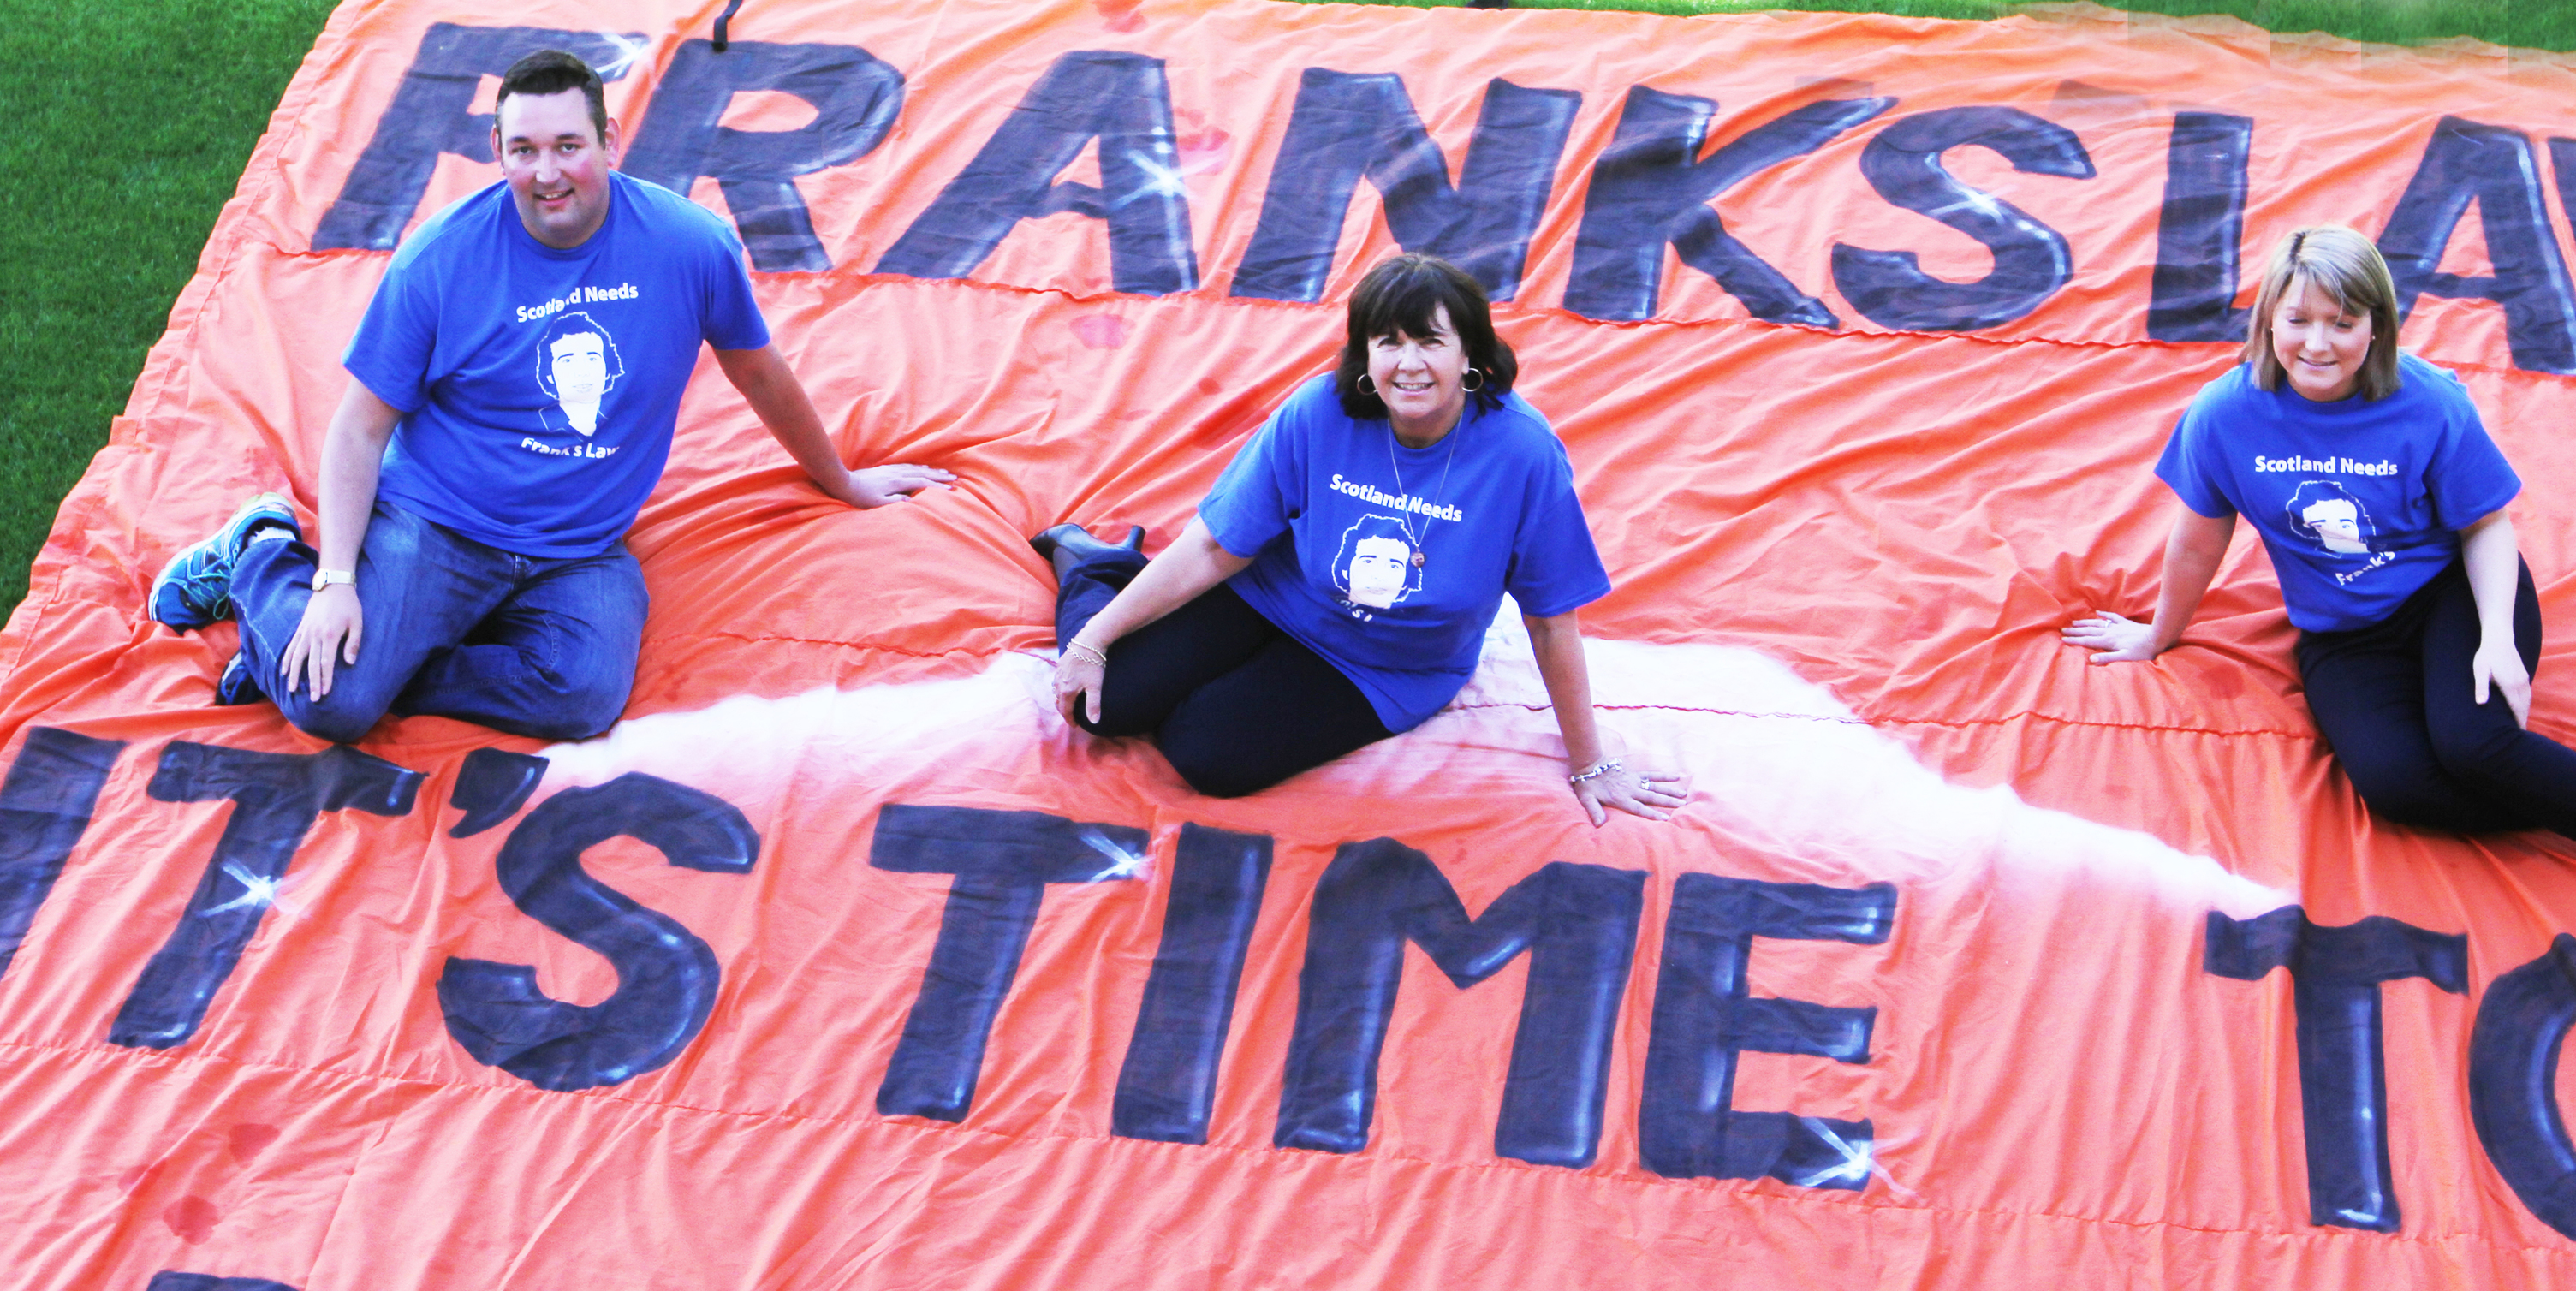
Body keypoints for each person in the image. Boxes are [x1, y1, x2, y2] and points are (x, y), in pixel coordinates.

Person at [147, 48, 948, 743]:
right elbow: (358, 429)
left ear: (610, 141)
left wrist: (840, 480)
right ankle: (259, 551)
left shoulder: (689, 247)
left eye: (569, 145)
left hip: (581, 547)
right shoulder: (440, 260)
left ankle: (378, 667)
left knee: (582, 696)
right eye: (524, 149)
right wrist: (336, 585)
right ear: (496, 150)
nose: (548, 172)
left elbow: (760, 371)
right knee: (328, 707)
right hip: (438, 525)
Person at [2062, 225, 2576, 957]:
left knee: (2476, 748)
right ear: (2269, 320)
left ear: (2375, 325)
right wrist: (2158, 634)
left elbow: (2487, 527)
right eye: (2299, 320)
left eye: (2342, 323)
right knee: (2398, 789)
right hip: (2343, 631)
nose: (2318, 344)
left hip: (2455, 595)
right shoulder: (2225, 415)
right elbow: (2199, 538)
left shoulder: (2428, 401)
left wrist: (2500, 640)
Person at [1036, 253, 1686, 822]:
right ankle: (1093, 569)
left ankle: (1154, 628)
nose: (1409, 364)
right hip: (1274, 591)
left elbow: (1550, 621)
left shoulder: (1522, 454)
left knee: (1205, 753)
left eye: (1431, 342)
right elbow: (1216, 546)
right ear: (1364, 355)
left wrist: (1590, 762)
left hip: (1384, 662)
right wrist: (1093, 639)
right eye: (1388, 342)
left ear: (1471, 356)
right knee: (1101, 704)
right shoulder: (1319, 412)